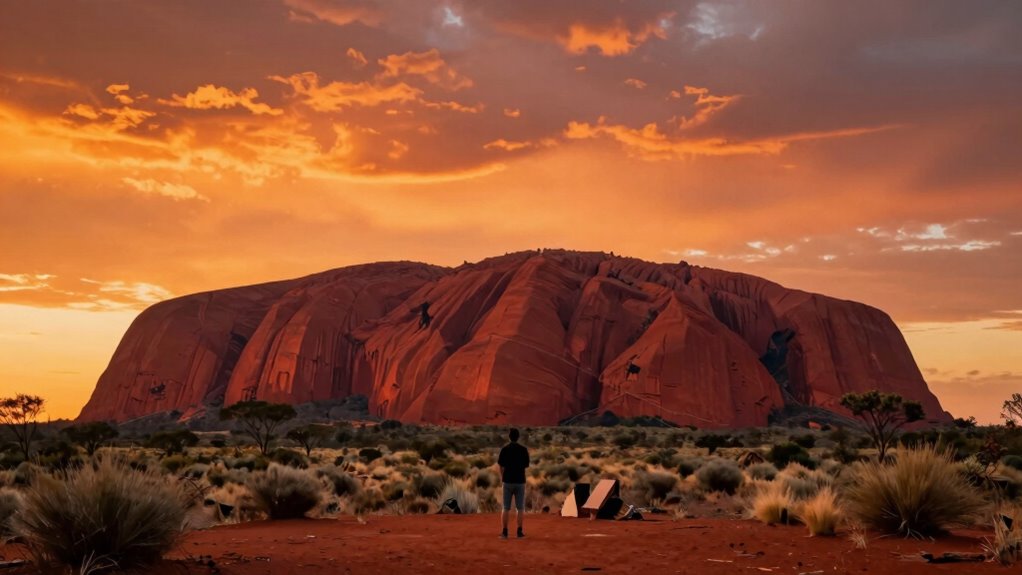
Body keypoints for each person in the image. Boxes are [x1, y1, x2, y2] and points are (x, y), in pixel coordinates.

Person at [497, 428, 529, 539]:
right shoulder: (523, 450)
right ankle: (519, 532)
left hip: (507, 481)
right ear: (518, 437)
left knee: (506, 508)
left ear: (509, 437)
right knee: (520, 508)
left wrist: (502, 477)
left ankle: (505, 532)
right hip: (520, 481)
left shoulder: (505, 449)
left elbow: (500, 466)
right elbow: (526, 465)